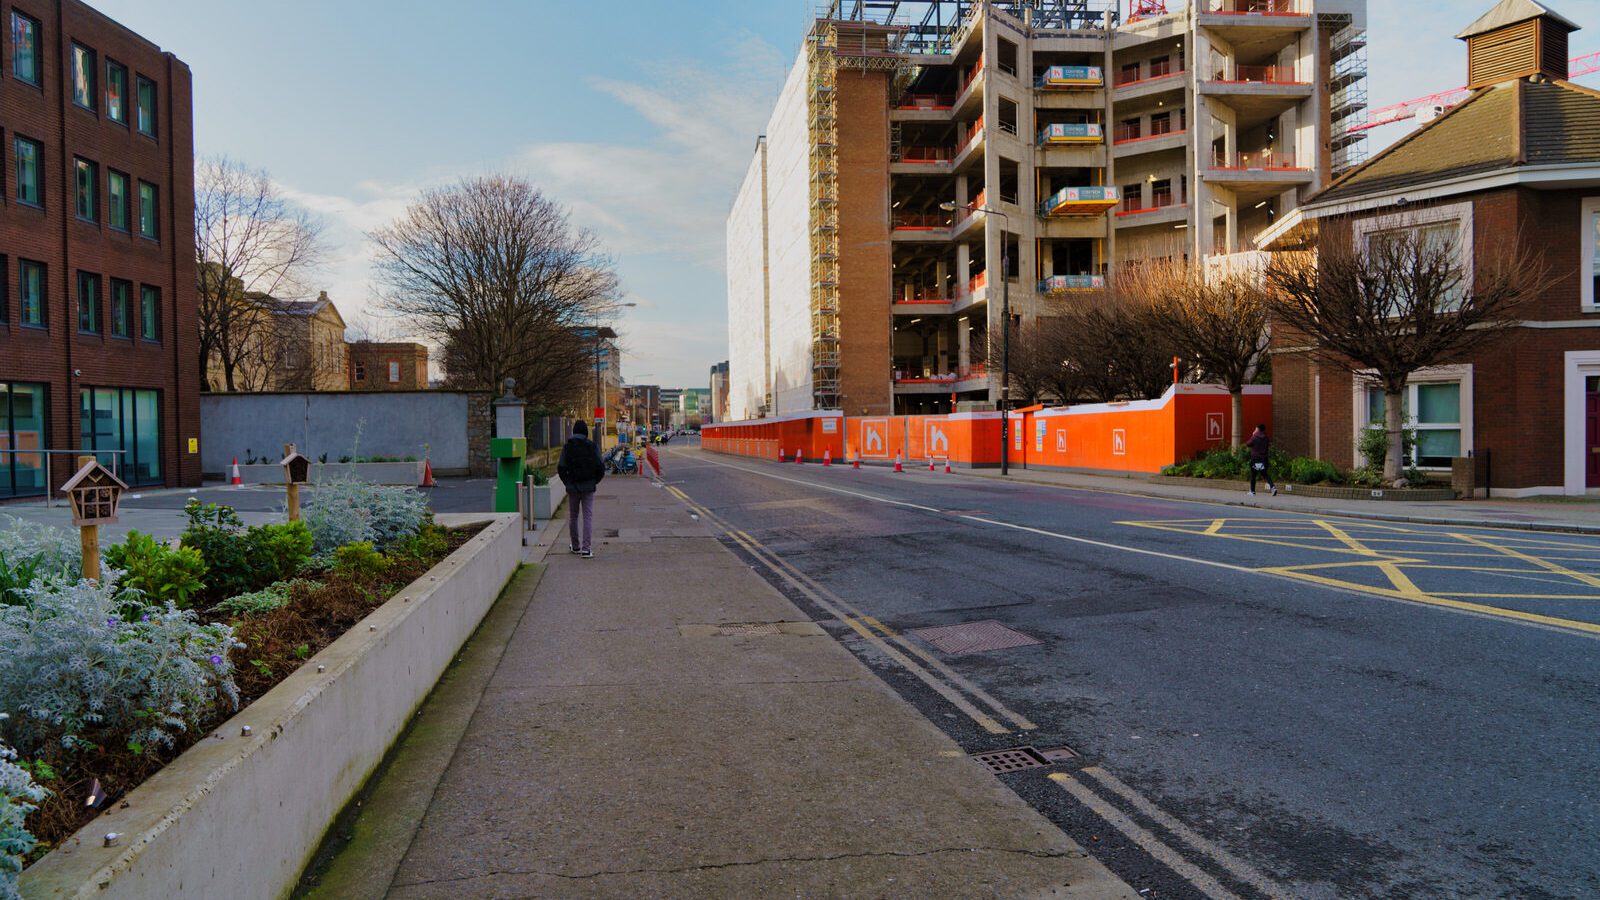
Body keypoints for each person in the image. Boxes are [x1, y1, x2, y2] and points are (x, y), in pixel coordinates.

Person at [557, 420, 605, 557]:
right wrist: (594, 481)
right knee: (587, 517)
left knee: (573, 516)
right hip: (588, 486)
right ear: (586, 432)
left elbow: (561, 467)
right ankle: (586, 549)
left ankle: (576, 546)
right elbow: (601, 467)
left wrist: (567, 482)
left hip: (573, 487)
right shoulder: (592, 446)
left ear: (573, 432)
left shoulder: (567, 447)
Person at [1245, 423, 1277, 497]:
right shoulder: (1266, 438)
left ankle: (1252, 492)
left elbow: (1248, 444)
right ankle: (1273, 487)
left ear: (1258, 429)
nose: (1255, 430)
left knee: (1253, 475)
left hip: (1255, 459)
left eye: (1255, 429)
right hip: (1264, 459)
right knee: (1265, 474)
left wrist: (1253, 435)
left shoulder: (1254, 437)